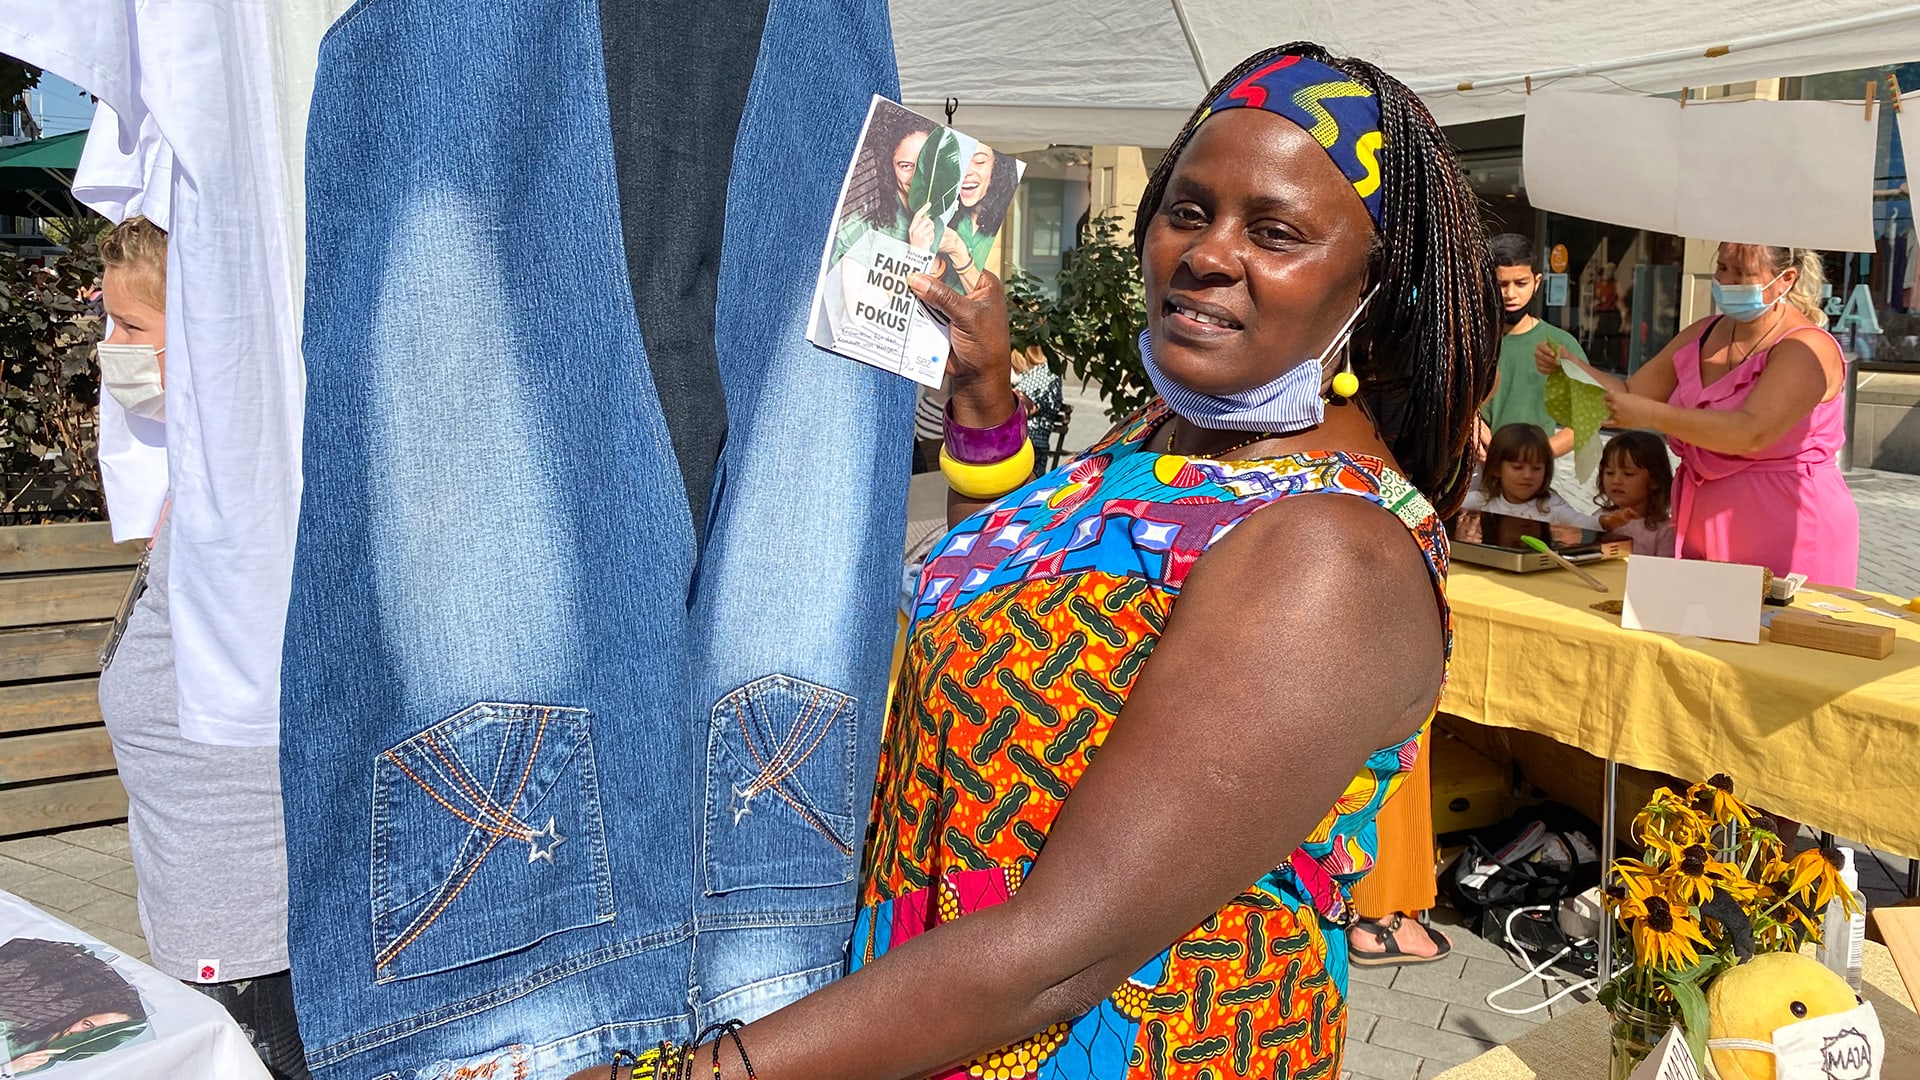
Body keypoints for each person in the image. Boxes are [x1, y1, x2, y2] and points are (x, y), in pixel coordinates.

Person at [576, 39, 1497, 1080]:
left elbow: (1061, 949)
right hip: (944, 1019)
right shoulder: (1166, 444)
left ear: (1377, 294)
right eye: (1189, 210)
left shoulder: (1333, 555)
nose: (1207, 253)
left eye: (1275, 232)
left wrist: (693, 1074)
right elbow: (1052, 601)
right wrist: (982, 407)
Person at [92, 218, 311, 1080]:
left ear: (208, 333)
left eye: (132, 328)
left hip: (256, 943)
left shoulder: (245, 517)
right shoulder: (194, 494)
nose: (113, 350)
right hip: (208, 925)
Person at [1537, 243, 1859, 585]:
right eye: (1722, 268)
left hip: (1790, 521)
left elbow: (1751, 434)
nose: (1728, 281)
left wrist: (1655, 416)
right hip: (1706, 519)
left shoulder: (1807, 348)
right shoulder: (1706, 331)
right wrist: (1574, 368)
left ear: (1786, 279)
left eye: (1742, 273)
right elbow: (1630, 393)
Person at [1478, 233, 1582, 459]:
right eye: (1501, 284)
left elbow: (1587, 419)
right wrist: (1468, 429)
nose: (1511, 294)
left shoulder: (1561, 345)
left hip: (1531, 478)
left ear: (1536, 283)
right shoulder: (1467, 341)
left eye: (1521, 283)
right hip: (1469, 475)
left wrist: (1535, 455)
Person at [832, 106, 937, 262]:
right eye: (906, 166)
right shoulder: (861, 215)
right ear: (887, 166)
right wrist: (916, 254)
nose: (917, 178)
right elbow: (853, 287)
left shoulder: (937, 219)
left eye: (925, 164)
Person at [1462, 423, 1603, 528]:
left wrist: (1606, 521)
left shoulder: (1550, 505)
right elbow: (1443, 510)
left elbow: (1583, 523)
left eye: (1536, 468)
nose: (1527, 475)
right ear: (1497, 469)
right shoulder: (1482, 501)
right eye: (1518, 467)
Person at [934, 146, 1020, 290]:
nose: (966, 172)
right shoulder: (945, 215)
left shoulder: (1006, 226)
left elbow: (985, 302)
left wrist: (957, 250)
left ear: (997, 169)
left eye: (979, 161)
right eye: (960, 161)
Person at [1595, 430, 1676, 556]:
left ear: (1656, 480)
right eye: (1609, 473)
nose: (1616, 481)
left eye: (1628, 474)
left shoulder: (1665, 530)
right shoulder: (1601, 517)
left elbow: (1664, 572)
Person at [1011, 344, 1064, 453]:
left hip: (1030, 446)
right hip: (1018, 445)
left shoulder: (1045, 373)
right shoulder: (1030, 374)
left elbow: (1023, 409)